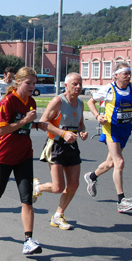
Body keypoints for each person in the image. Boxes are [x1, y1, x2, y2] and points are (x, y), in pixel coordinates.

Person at [0, 67, 47, 255]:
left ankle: (28, 240)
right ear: (18, 83)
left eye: (34, 83)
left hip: (24, 155)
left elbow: (28, 124)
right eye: (28, 83)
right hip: (4, 155)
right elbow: (3, 130)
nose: (32, 86)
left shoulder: (31, 101)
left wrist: (36, 124)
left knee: (27, 199)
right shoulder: (7, 102)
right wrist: (25, 121)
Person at [84, 62, 132, 213]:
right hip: (111, 129)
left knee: (111, 163)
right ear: (116, 75)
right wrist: (98, 116)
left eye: (130, 73)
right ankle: (121, 200)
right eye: (125, 73)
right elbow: (91, 101)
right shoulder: (108, 89)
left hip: (125, 129)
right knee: (120, 162)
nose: (128, 76)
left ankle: (91, 176)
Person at [33, 72, 88, 230]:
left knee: (74, 185)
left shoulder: (80, 103)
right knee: (58, 187)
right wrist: (63, 133)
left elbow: (80, 124)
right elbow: (43, 122)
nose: (78, 87)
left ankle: (58, 215)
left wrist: (82, 131)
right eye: (74, 84)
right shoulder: (58, 101)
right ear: (66, 85)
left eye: (80, 84)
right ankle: (38, 188)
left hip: (72, 147)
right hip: (56, 145)